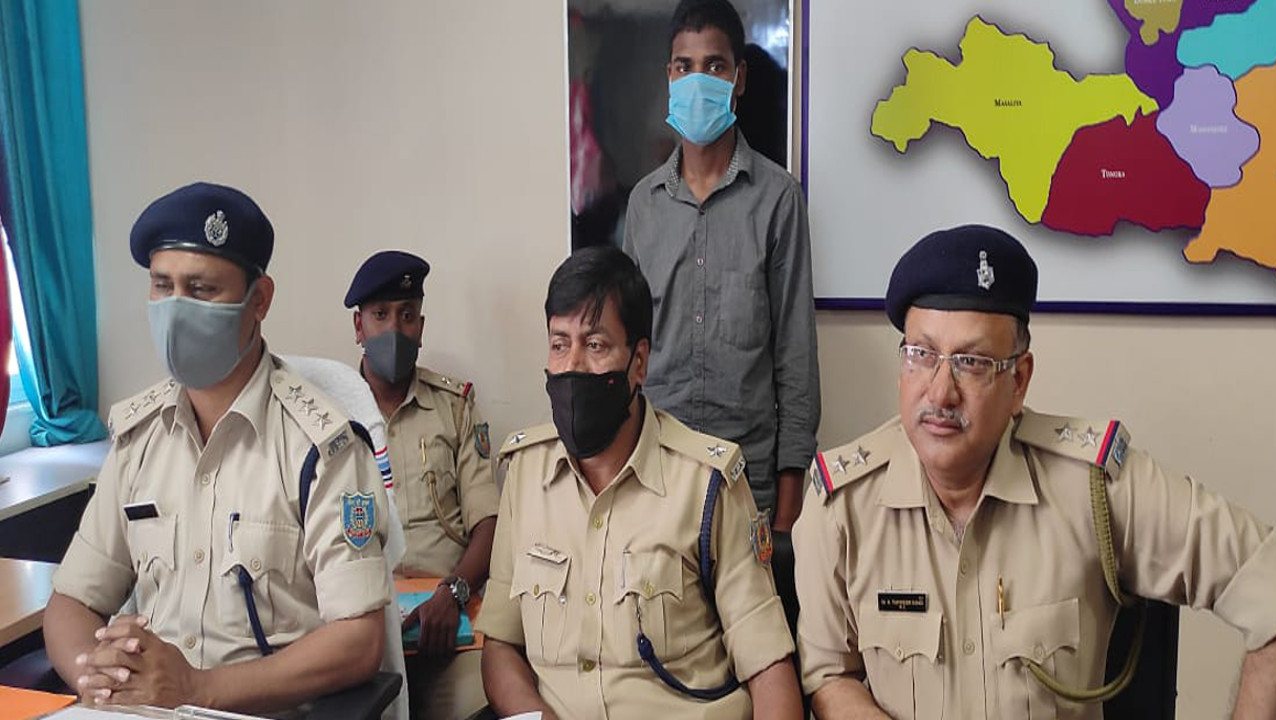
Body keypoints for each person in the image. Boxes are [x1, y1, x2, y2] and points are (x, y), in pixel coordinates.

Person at [792, 224, 1276, 719]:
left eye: (972, 362)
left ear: (1019, 380)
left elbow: (1271, 584)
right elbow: (829, 674)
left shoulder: (1095, 490)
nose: (940, 392)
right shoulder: (841, 506)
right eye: (921, 355)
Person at [43, 182, 391, 713]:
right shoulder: (139, 439)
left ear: (260, 300)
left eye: (202, 289)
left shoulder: (322, 446)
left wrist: (196, 688)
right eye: (162, 286)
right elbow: (72, 600)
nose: (176, 309)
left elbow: (358, 641)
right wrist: (97, 675)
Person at [476, 246, 802, 719]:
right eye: (559, 344)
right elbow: (501, 646)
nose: (572, 366)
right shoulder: (525, 473)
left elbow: (768, 667)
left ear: (639, 362)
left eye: (595, 345)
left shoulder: (706, 485)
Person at [620, 0, 820, 634]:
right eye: (684, 66)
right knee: (664, 654)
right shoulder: (644, 205)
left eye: (714, 65)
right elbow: (626, 355)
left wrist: (786, 517)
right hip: (656, 483)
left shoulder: (779, 199)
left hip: (748, 489)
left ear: (739, 77)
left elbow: (795, 360)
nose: (697, 79)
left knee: (755, 658)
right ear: (669, 75)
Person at [344, 249, 497, 719]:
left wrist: (452, 593)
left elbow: (489, 523)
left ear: (421, 327)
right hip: (362, 627)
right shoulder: (329, 417)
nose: (395, 329)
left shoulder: (455, 406)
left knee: (488, 702)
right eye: (381, 315)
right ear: (359, 326)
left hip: (450, 620)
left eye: (407, 315)